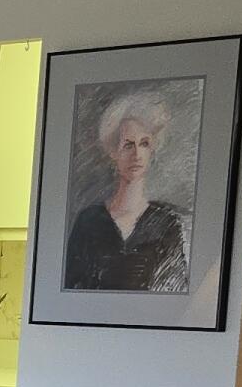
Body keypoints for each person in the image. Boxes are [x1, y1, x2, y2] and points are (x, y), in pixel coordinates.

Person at [63, 89, 189, 292]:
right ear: (113, 151)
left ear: (152, 150)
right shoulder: (88, 222)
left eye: (145, 144)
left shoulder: (167, 225)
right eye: (128, 145)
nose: (137, 154)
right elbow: (70, 292)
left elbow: (174, 294)